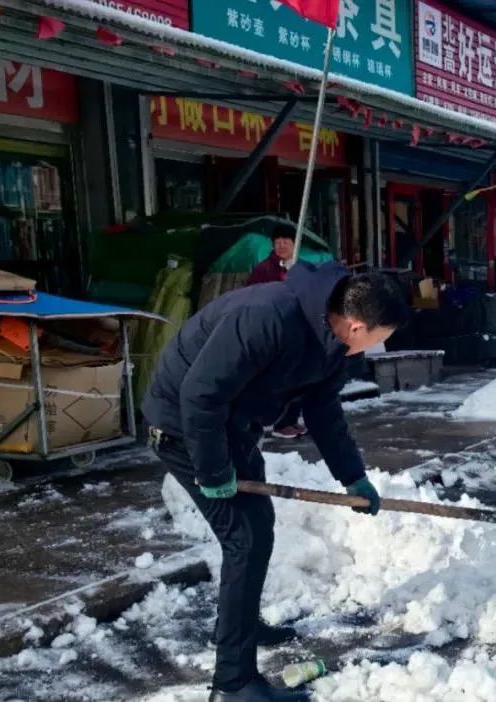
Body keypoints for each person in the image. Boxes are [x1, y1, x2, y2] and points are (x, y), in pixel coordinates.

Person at [141, 262, 409, 702]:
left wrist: (353, 476)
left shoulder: (333, 342)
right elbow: (200, 395)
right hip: (182, 427)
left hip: (232, 425)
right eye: (383, 337)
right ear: (358, 326)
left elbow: (324, 411)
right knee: (244, 539)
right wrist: (212, 471)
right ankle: (233, 685)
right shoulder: (267, 317)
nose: (380, 346)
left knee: (256, 529)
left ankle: (238, 625)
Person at [246, 232, 304, 439]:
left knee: (299, 378)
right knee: (280, 378)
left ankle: (291, 419)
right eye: (277, 242)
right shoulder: (264, 269)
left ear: (293, 244)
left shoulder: (300, 267)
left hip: (298, 328)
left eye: (285, 242)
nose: (281, 246)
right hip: (274, 329)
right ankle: (278, 423)